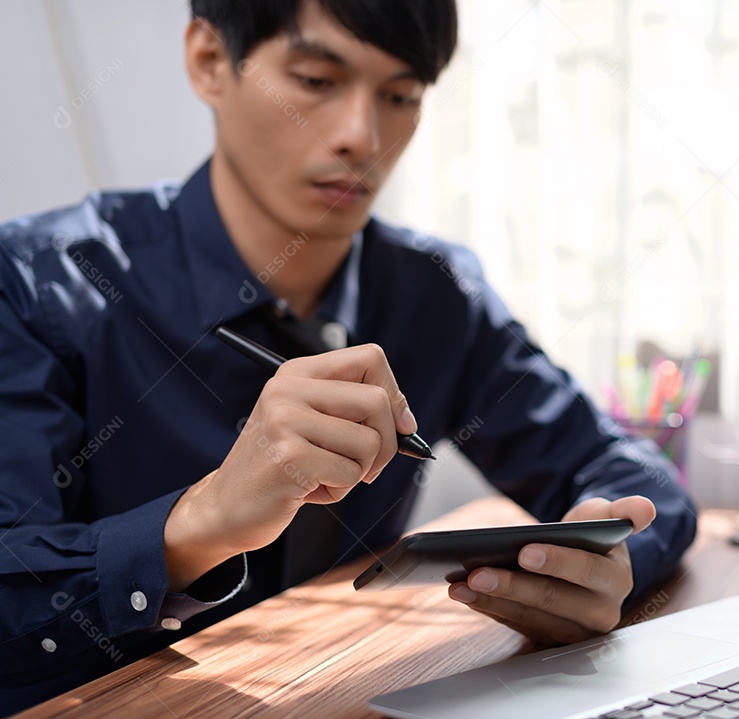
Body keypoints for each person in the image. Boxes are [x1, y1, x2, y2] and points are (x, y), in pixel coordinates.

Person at [0, 0, 697, 712]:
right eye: (313, 80)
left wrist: (606, 565)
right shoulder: (36, 283)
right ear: (211, 62)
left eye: (399, 96)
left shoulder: (435, 293)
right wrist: (202, 519)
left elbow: (635, 473)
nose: (361, 137)